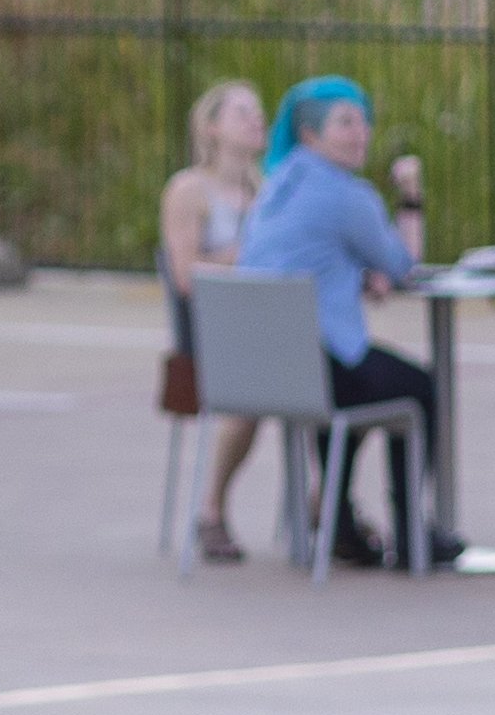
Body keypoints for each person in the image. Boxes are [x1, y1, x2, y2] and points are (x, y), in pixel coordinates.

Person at [231, 78, 433, 567]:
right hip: (316, 365)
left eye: (364, 120)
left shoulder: (276, 187)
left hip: (258, 366)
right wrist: (410, 195)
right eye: (345, 122)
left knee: (359, 381)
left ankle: (339, 522)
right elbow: (404, 266)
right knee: (418, 388)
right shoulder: (345, 193)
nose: (360, 132)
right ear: (309, 133)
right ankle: (412, 535)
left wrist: (352, 275)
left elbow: (306, 258)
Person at [157, 78, 272, 562]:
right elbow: (186, 275)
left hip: (266, 327)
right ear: (211, 126)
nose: (255, 120)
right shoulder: (190, 190)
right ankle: (211, 509)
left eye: (259, 112)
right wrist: (247, 257)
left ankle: (326, 509)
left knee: (329, 371)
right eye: (242, 112)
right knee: (255, 391)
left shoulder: (269, 190)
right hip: (212, 334)